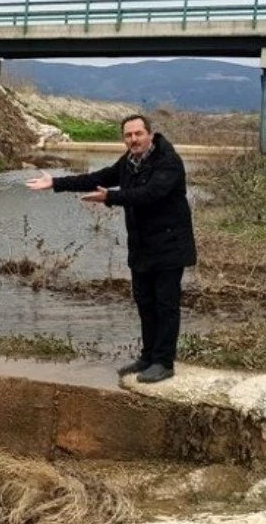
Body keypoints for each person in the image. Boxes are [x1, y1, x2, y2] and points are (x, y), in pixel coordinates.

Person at [25, 114, 196, 384]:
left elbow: (150, 194)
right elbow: (100, 177)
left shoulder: (169, 161)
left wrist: (109, 197)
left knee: (166, 305)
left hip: (169, 245)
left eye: (138, 134)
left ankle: (164, 362)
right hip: (142, 245)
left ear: (150, 134)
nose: (133, 139)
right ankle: (148, 356)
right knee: (145, 302)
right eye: (128, 135)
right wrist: (57, 183)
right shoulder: (129, 162)